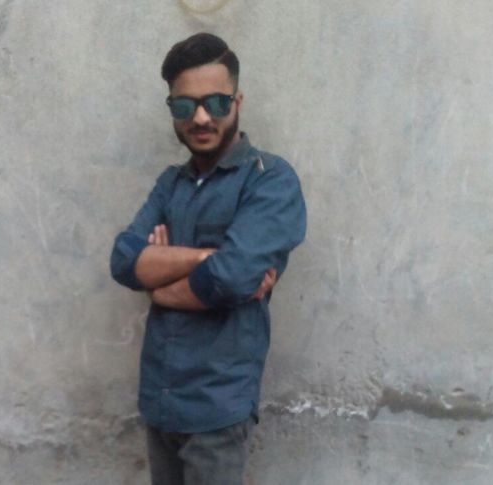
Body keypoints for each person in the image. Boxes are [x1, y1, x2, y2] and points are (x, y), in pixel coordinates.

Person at [110, 32, 307, 485]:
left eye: (215, 103)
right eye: (185, 106)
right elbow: (123, 260)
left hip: (217, 411)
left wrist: (160, 282)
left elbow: (232, 277)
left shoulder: (269, 181)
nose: (200, 117)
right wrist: (206, 257)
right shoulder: (170, 184)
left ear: (237, 102)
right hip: (160, 403)